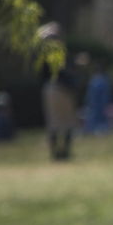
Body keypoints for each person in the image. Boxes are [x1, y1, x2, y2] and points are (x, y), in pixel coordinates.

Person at [38, 23, 77, 161]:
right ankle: (61, 152)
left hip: (53, 89)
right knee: (63, 122)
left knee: (58, 122)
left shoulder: (46, 53)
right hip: (59, 88)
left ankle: (59, 152)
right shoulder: (57, 53)